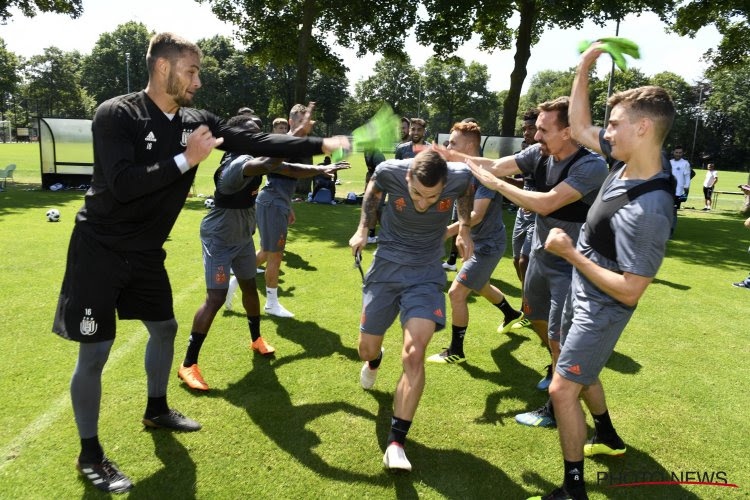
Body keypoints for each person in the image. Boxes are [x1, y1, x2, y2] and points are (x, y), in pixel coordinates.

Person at [51, 32, 349, 494]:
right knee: (95, 352)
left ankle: (156, 409)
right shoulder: (116, 113)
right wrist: (185, 159)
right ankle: (90, 453)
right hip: (99, 249)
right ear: (164, 68)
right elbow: (124, 183)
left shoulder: (198, 120)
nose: (199, 80)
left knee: (165, 328)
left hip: (147, 252)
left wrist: (320, 144)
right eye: (192, 70)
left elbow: (256, 140)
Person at [525, 44, 677, 500]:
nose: (604, 132)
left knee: (562, 389)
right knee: (582, 372)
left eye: (615, 124)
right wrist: (585, 66)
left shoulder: (650, 208)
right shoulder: (626, 163)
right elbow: (580, 122)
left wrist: (571, 254)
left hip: (603, 307)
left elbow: (631, 291)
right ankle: (607, 435)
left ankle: (573, 489)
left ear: (643, 127)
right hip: (583, 291)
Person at [445, 96, 609, 428]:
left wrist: (495, 185)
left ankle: (553, 406)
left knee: (559, 337)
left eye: (544, 130)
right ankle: (555, 367)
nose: (536, 136)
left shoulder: (591, 165)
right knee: (533, 316)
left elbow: (547, 203)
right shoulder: (539, 153)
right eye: (536, 129)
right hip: (540, 257)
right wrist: (451, 157)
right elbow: (495, 166)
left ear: (568, 131)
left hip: (574, 264)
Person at [178, 113, 349, 391]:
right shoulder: (238, 164)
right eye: (253, 133)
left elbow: (288, 168)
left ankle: (256, 339)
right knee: (215, 297)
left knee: (248, 287)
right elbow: (272, 161)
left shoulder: (252, 160)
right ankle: (188, 364)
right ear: (239, 138)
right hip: (220, 236)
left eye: (261, 132)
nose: (260, 136)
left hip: (243, 234)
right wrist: (297, 136)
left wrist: (319, 171)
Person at [349, 149, 474, 471]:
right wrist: (364, 229)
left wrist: (464, 228)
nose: (422, 203)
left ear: (444, 183)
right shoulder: (390, 170)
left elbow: (466, 192)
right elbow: (372, 193)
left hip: (426, 275)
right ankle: (375, 361)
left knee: (414, 352)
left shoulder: (459, 176)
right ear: (407, 178)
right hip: (386, 269)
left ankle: (395, 443)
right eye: (416, 193)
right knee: (366, 349)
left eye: (432, 197)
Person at [426, 121, 523, 364]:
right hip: (475, 242)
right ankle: (511, 314)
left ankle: (456, 351)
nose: (449, 146)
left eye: (454, 143)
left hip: (488, 245)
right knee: (480, 285)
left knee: (456, 293)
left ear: (470, 146)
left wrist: (444, 233)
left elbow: (476, 215)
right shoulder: (459, 172)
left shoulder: (484, 174)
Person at [254, 104, 314, 318]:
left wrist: (288, 206)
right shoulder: (283, 143)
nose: (305, 125)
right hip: (271, 203)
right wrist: (321, 169)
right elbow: (290, 171)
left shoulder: (296, 145)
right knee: (275, 255)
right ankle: (271, 303)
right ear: (291, 122)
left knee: (267, 251)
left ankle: (235, 280)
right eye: (300, 121)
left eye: (307, 121)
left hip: (277, 202)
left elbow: (286, 180)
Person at [511, 110, 541, 306]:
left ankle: (527, 305)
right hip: (522, 214)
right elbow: (523, 185)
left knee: (524, 260)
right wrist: (501, 180)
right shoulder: (524, 154)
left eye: (531, 128)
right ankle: (529, 299)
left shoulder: (548, 155)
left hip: (538, 215)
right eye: (524, 129)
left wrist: (532, 201)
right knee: (516, 261)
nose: (526, 133)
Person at [670, 146, 691, 210]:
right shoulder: (669, 162)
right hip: (668, 190)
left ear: (682, 153)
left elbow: (687, 176)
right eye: (676, 152)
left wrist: (686, 188)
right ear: (673, 152)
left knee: (674, 210)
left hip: (678, 191)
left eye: (680, 153)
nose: (678, 154)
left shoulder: (685, 163)